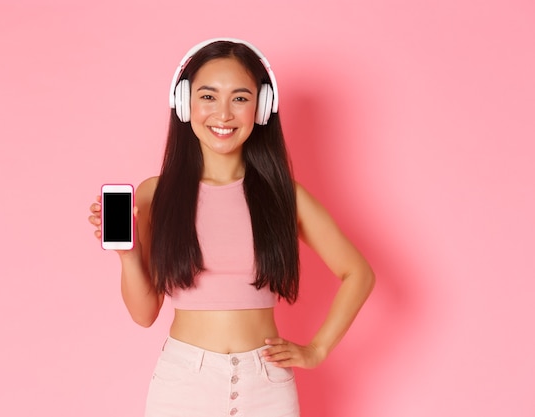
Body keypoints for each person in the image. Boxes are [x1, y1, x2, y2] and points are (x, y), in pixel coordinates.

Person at [88, 38, 375, 417]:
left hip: (267, 386)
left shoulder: (285, 196)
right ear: (185, 102)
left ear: (262, 108)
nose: (223, 113)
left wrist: (318, 349)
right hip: (182, 384)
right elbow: (144, 314)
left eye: (240, 98)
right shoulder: (155, 194)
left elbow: (358, 273)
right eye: (208, 96)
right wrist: (127, 255)